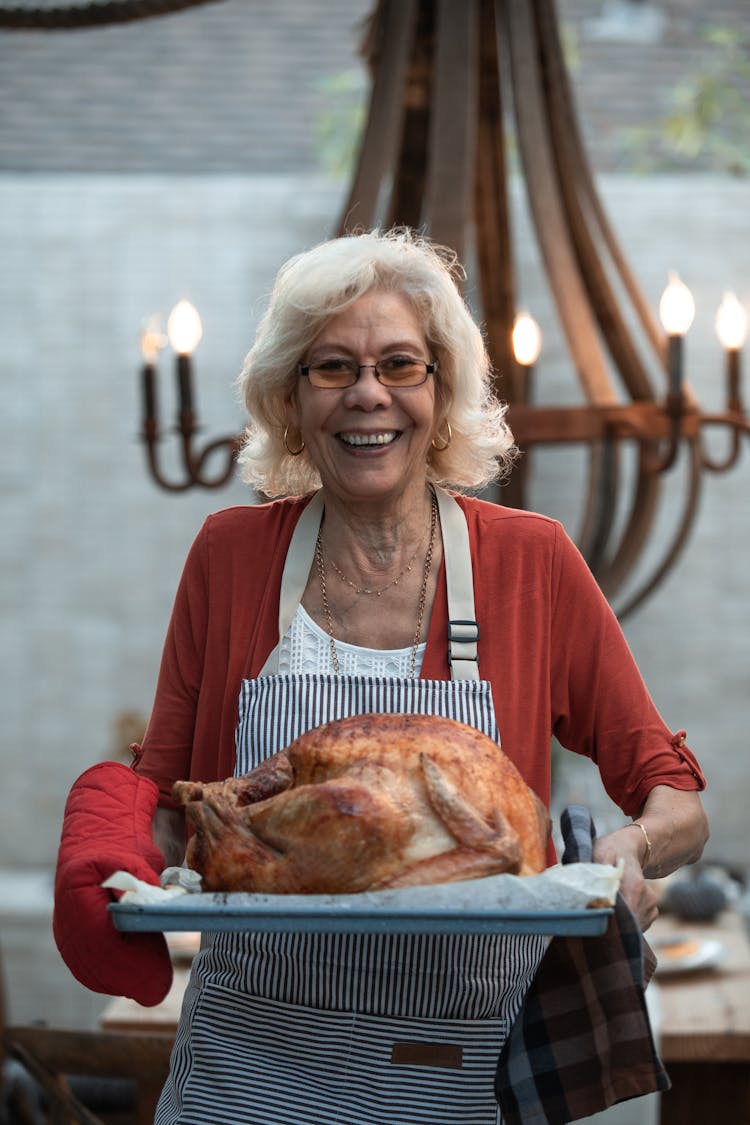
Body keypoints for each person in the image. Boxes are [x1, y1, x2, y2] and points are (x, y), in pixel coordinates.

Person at [53, 228, 708, 1124]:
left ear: (441, 392)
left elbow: (674, 798)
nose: (369, 394)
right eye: (332, 367)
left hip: (458, 1072)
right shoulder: (232, 556)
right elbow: (172, 797)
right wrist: (104, 849)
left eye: (400, 364)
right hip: (248, 1067)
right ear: (291, 399)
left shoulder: (531, 560)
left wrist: (628, 853)